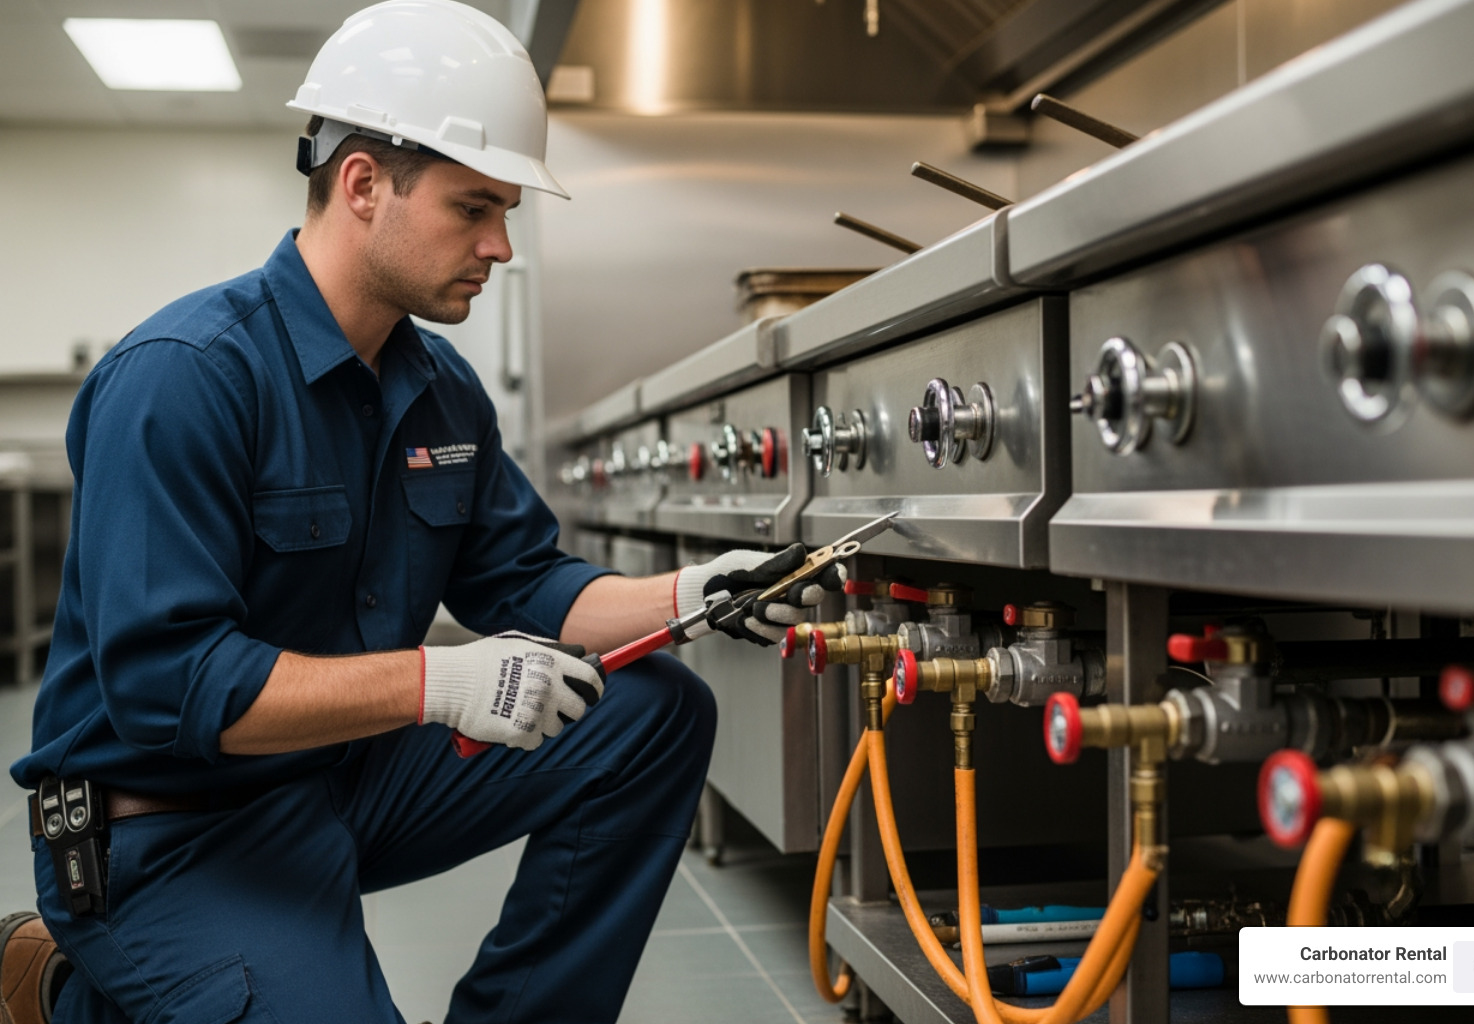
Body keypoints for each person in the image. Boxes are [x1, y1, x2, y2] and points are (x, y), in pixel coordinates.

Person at [0, 2, 842, 1021]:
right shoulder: (182, 379)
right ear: (362, 184)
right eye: (472, 208)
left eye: (506, 216)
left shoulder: (440, 391)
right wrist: (436, 680)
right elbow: (168, 690)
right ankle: (62, 986)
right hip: (168, 827)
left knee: (654, 712)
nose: (499, 245)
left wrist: (695, 590)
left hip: (342, 781)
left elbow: (525, 580)